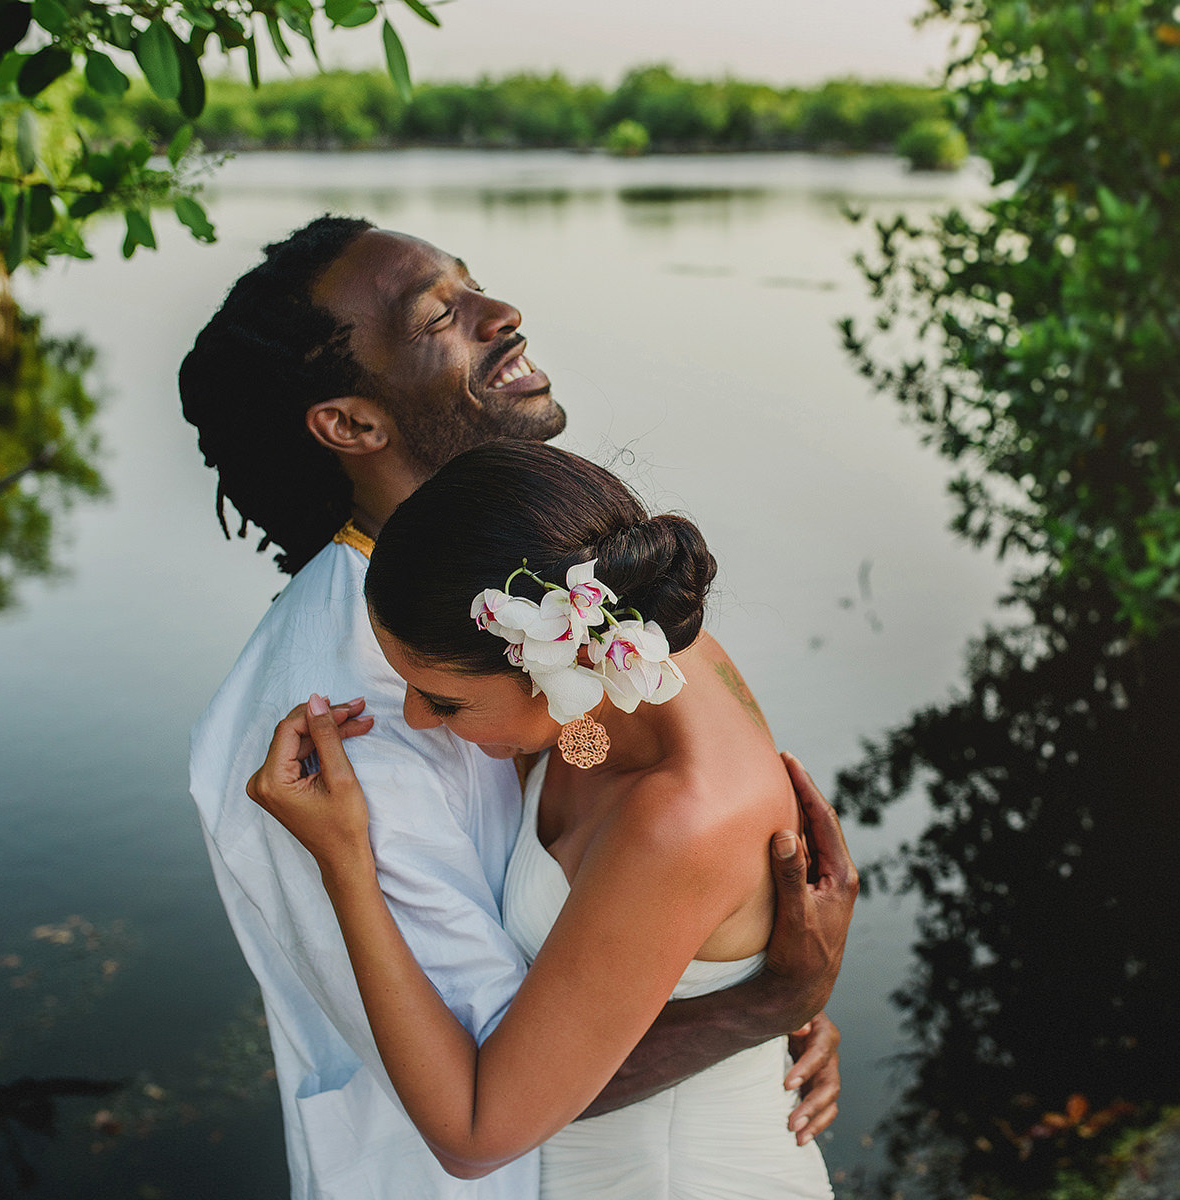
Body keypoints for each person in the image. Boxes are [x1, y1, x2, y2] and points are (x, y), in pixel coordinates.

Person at [180, 216, 855, 1199]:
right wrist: (759, 998)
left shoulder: (569, 601)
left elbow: (671, 896)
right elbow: (494, 1083)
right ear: (353, 424)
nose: (505, 315)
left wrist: (745, 981)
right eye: (440, 316)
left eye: (474, 285)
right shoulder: (338, 716)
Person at [249, 440, 846, 1195]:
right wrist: (768, 1002)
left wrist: (345, 863)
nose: (416, 719)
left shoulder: (677, 822)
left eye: (443, 700)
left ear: (546, 662)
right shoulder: (633, 656)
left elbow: (473, 1136)